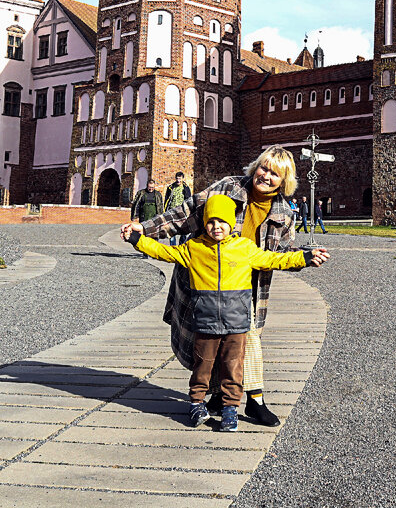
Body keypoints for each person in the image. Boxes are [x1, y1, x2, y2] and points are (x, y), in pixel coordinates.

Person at [121, 145, 304, 427]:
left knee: (245, 341)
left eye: (274, 174)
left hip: (248, 287)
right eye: (263, 168)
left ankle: (254, 401)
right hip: (205, 282)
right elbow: (183, 214)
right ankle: (219, 395)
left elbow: (282, 255)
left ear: (284, 181)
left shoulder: (285, 213)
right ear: (255, 167)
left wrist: (305, 258)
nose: (266, 176)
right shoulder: (229, 188)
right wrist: (144, 229)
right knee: (212, 342)